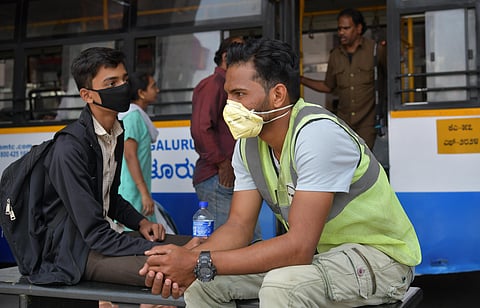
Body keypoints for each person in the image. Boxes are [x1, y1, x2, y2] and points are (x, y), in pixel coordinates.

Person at [139, 38, 421, 307]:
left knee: (282, 285)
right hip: (319, 259)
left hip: (378, 260)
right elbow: (238, 226)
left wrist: (197, 261)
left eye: (239, 94)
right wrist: (183, 260)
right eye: (227, 95)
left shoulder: (317, 134)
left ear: (277, 95)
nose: (229, 106)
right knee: (204, 284)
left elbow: (298, 247)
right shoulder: (249, 145)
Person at [32, 47, 191, 287]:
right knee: (178, 266)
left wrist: (141, 223)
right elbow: (95, 233)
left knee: (199, 246)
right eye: (112, 83)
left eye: (124, 80)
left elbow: (110, 199)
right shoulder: (70, 148)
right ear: (87, 95)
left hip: (104, 241)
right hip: (75, 254)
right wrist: (160, 248)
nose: (122, 87)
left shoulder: (115, 132)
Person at [190, 36, 261, 240]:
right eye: (240, 49)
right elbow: (201, 129)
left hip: (230, 174)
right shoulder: (213, 84)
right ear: (225, 56)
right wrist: (223, 164)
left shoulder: (228, 84)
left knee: (247, 238)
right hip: (218, 176)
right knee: (227, 242)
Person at [300, 8, 386, 149]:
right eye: (339, 28)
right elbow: (328, 86)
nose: (341, 32)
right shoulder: (335, 55)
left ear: (358, 28)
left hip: (368, 122)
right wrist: (301, 79)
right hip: (343, 122)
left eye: (346, 28)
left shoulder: (375, 50)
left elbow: (390, 78)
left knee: (362, 161)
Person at [118, 72, 160, 230]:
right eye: (153, 86)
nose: (157, 90)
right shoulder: (133, 116)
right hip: (132, 193)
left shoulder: (135, 115)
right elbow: (129, 155)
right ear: (141, 93)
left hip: (135, 191)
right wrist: (144, 193)